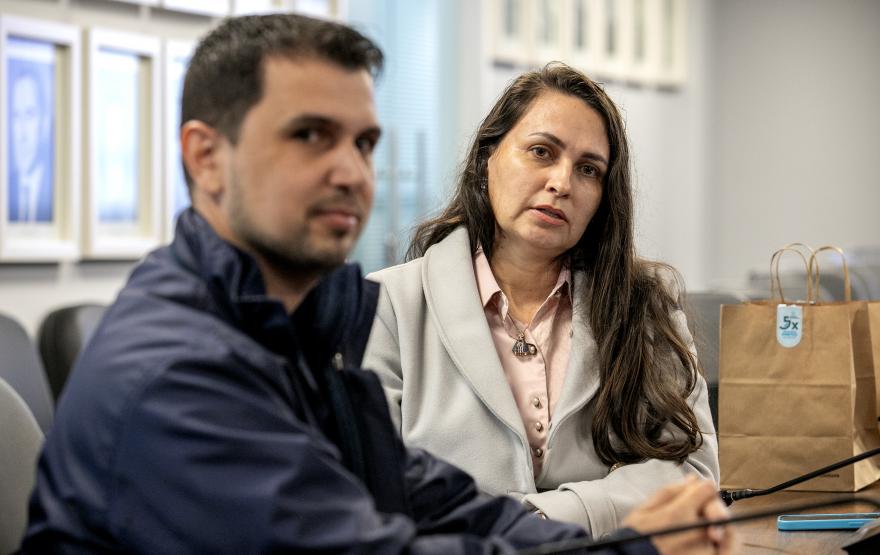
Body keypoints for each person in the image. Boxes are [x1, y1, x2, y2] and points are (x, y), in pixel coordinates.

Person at [23, 15, 732, 554]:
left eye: (362, 143)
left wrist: (595, 539)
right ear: (206, 157)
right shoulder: (177, 371)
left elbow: (418, 489)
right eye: (310, 136)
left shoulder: (291, 327)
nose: (351, 172)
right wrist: (628, 542)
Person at [363, 63, 719, 538]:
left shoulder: (644, 304)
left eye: (588, 169)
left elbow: (691, 476)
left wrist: (547, 517)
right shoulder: (388, 305)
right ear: (488, 157)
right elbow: (369, 486)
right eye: (540, 152)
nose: (562, 183)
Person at [8, 66, 53, 223]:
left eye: (29, 115)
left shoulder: (58, 191)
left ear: (44, 122)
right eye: (16, 116)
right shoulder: (6, 187)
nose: (22, 134)